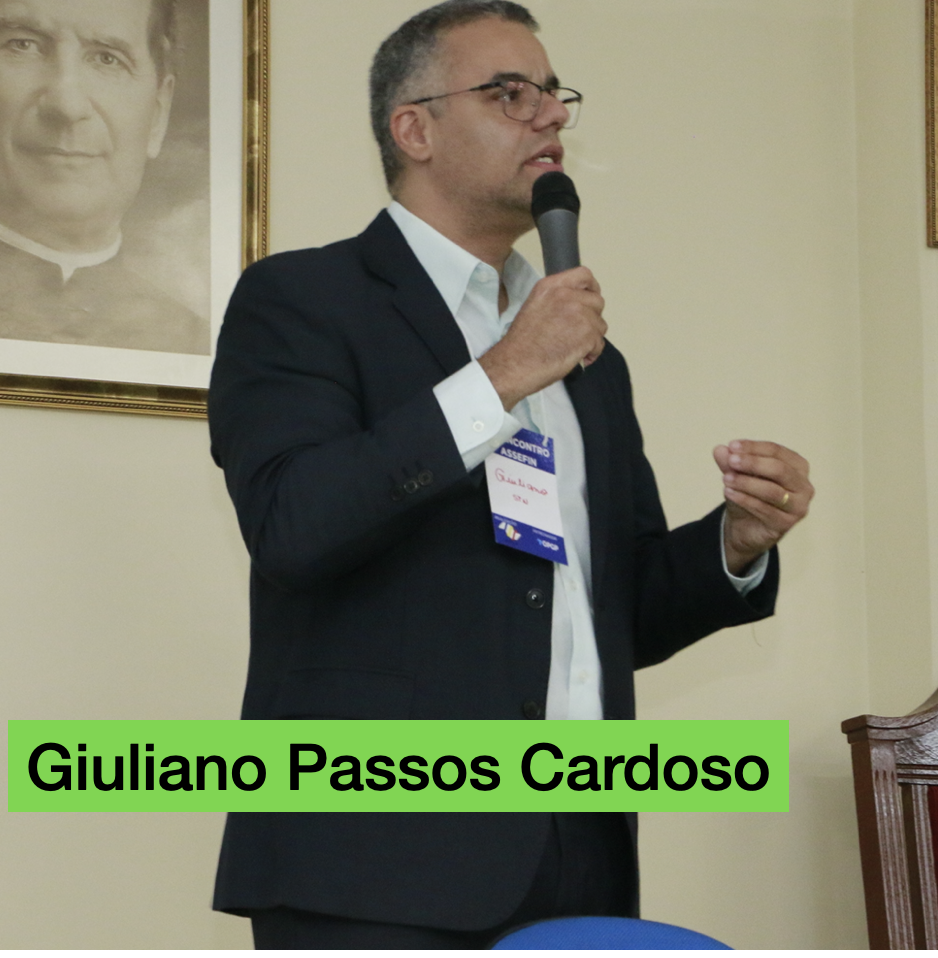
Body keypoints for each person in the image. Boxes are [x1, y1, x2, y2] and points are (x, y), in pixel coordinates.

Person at [208, 0, 814, 949]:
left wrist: (734, 547)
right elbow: (293, 523)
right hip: (372, 858)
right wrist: (501, 375)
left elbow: (618, 609)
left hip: (578, 849)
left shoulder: (589, 358)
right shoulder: (304, 299)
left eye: (555, 93)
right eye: (510, 93)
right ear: (415, 130)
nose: (552, 114)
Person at [0, 0, 207, 354]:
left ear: (158, 114)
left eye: (108, 59)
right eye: (23, 44)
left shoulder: (196, 345)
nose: (66, 105)